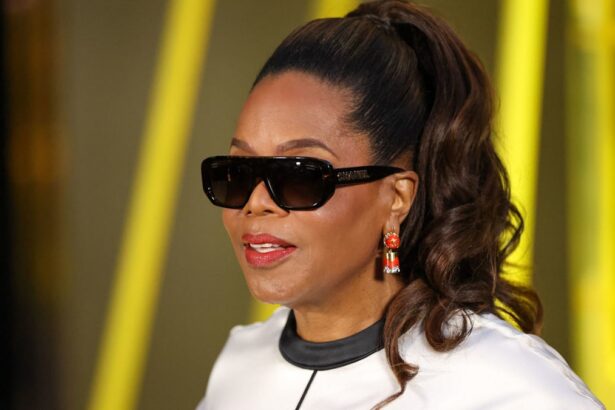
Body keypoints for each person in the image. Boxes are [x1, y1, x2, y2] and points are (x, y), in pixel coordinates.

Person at [196, 1, 604, 408]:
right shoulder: (239, 363)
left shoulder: (510, 388)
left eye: (300, 176)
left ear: (397, 197)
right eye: (237, 172)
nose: (256, 202)